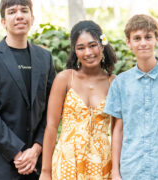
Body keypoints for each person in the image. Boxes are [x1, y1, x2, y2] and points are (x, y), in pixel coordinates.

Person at [0, 0, 56, 179]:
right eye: (12, 12)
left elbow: (51, 110)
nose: (19, 16)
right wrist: (18, 154)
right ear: (3, 21)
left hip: (37, 165)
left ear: (32, 18)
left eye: (24, 11)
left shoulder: (45, 58)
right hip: (1, 167)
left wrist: (36, 149)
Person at [103, 14, 158, 180]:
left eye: (148, 37)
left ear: (157, 39)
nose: (143, 43)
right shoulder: (120, 83)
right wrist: (115, 172)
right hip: (131, 170)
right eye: (137, 38)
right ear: (128, 42)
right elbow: (118, 130)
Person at [39, 20, 117, 180]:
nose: (88, 52)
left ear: (102, 45)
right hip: (67, 162)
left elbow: (117, 131)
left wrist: (116, 170)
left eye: (92, 45)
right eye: (81, 48)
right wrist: (45, 171)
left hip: (102, 163)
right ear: (75, 51)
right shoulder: (65, 79)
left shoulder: (114, 83)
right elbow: (52, 127)